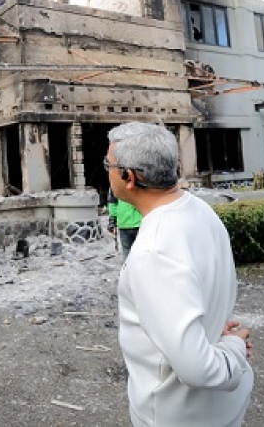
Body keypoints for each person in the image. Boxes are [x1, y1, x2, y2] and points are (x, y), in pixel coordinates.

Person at [106, 122, 253, 426]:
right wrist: (213, 330)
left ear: (129, 177)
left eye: (108, 164)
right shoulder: (199, 210)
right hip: (220, 408)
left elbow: (198, 369)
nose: (106, 170)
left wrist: (234, 347)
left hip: (179, 412)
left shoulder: (154, 252)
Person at [106, 187, 142, 259]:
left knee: (137, 253)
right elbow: (113, 202)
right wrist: (112, 220)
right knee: (133, 254)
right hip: (130, 224)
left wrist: (112, 220)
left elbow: (112, 203)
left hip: (136, 224)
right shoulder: (140, 179)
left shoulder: (117, 181)